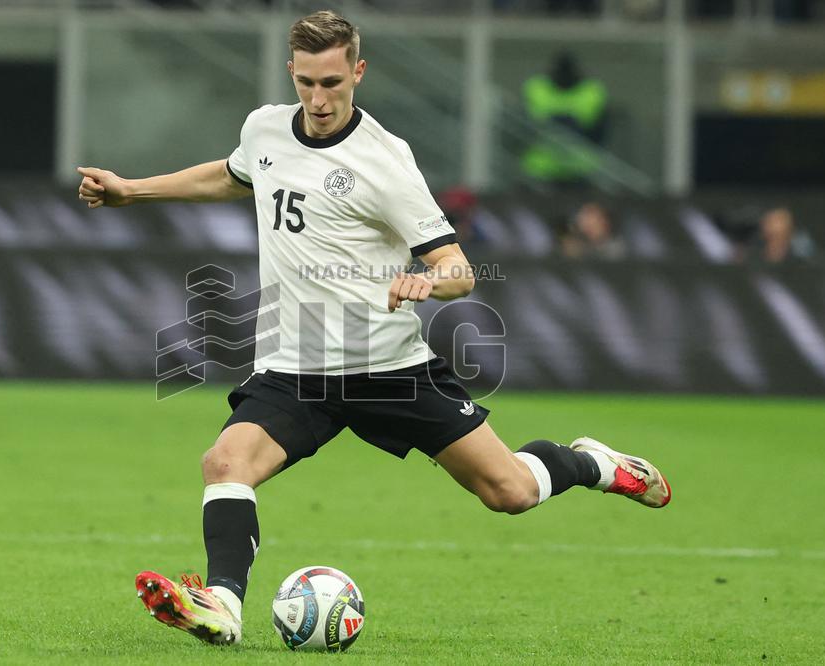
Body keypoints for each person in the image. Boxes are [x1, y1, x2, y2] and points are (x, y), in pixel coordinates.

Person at [77, 11, 671, 646]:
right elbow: (232, 175)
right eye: (306, 82)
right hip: (294, 368)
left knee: (510, 492)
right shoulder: (265, 128)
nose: (318, 98)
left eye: (332, 82)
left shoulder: (386, 161)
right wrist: (132, 191)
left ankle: (591, 464)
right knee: (224, 462)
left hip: (388, 370)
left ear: (357, 72)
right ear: (291, 72)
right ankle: (222, 604)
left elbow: (459, 270)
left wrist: (427, 281)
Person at [520, 52, 607, 188]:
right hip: (541, 168)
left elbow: (600, 130)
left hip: (579, 168)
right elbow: (523, 128)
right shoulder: (536, 89)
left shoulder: (592, 91)